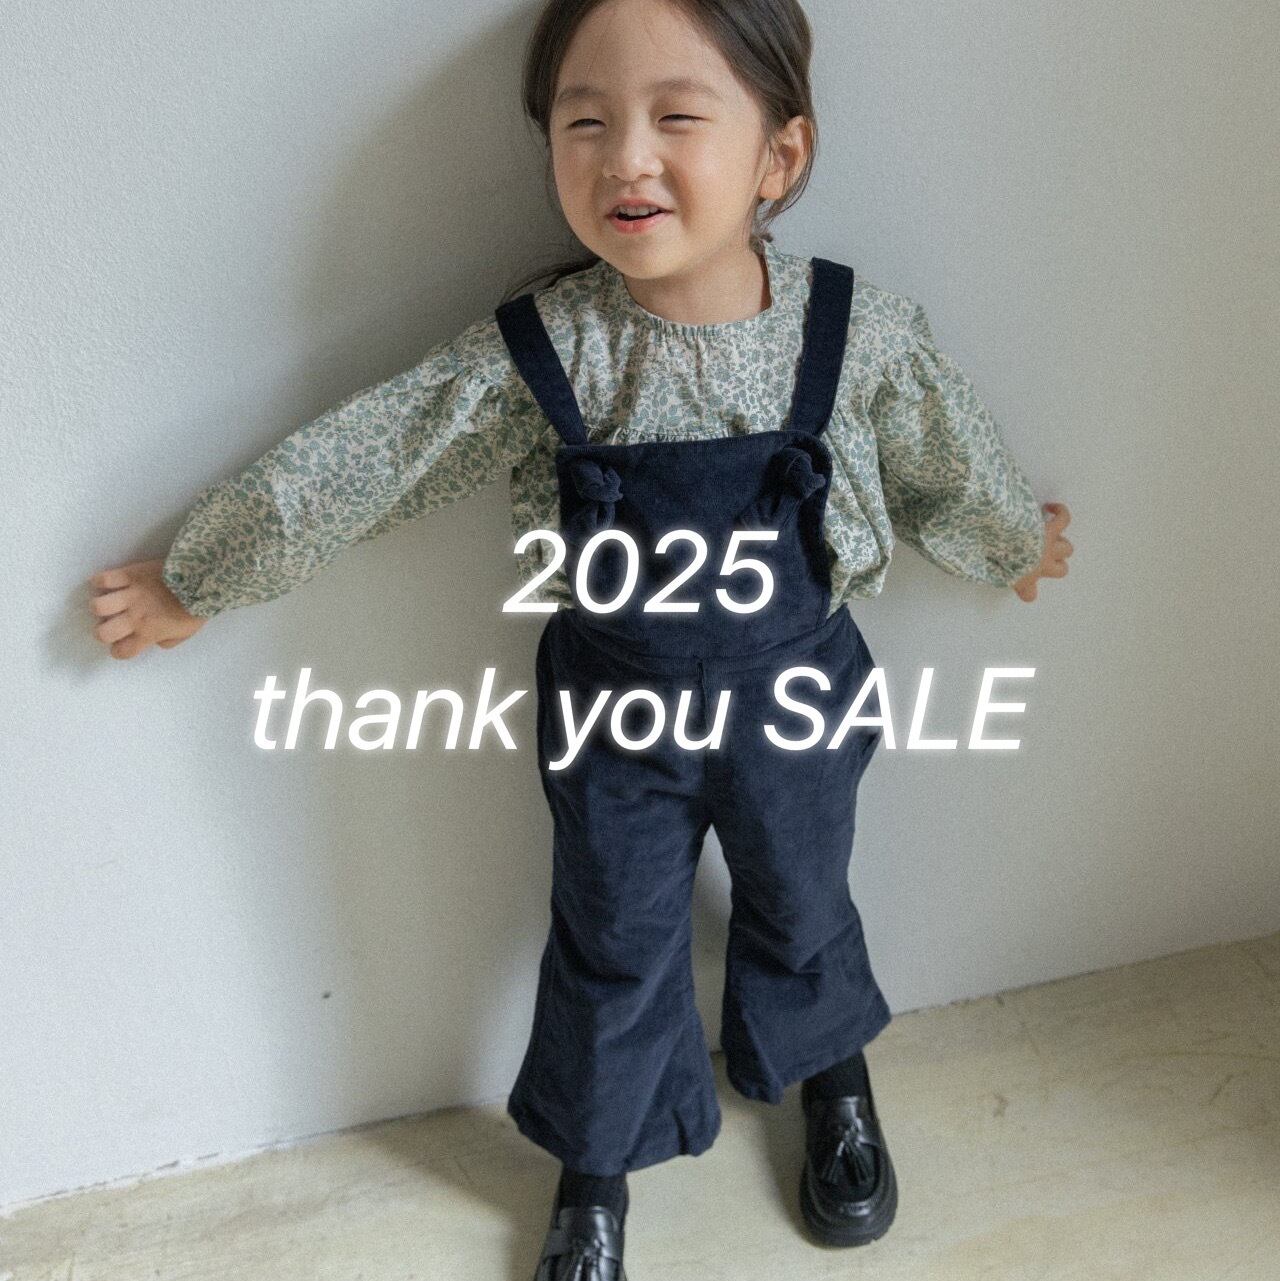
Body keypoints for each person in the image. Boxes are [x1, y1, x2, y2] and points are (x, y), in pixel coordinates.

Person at [87, 0, 1073, 1276]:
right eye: (585, 122)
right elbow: (374, 456)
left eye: (677, 116)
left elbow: (947, 455)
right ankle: (596, 1168)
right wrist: (201, 576)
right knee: (613, 935)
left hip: (796, 705)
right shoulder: (544, 353)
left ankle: (829, 1071)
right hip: (615, 723)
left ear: (777, 156)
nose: (626, 158)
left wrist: (1009, 539)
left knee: (802, 891)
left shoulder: (853, 330)